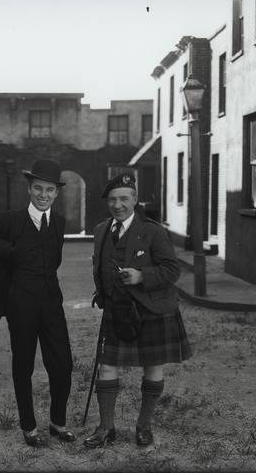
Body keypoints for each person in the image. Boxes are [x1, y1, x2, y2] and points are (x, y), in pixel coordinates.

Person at [0, 158, 75, 447]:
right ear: (29, 189)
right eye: (38, 188)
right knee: (23, 365)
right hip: (21, 304)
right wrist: (7, 250)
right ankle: (29, 427)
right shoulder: (9, 221)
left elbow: (54, 262)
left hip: (51, 303)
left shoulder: (59, 224)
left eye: (49, 190)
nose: (43, 195)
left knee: (63, 364)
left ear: (56, 193)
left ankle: (57, 423)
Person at [84, 173, 191, 448]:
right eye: (112, 199)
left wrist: (142, 276)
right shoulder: (100, 230)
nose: (118, 205)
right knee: (106, 367)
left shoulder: (153, 231)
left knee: (152, 367)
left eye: (123, 198)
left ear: (134, 200)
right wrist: (103, 293)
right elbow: (99, 267)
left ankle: (144, 427)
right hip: (117, 310)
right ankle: (106, 428)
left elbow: (172, 270)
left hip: (152, 309)